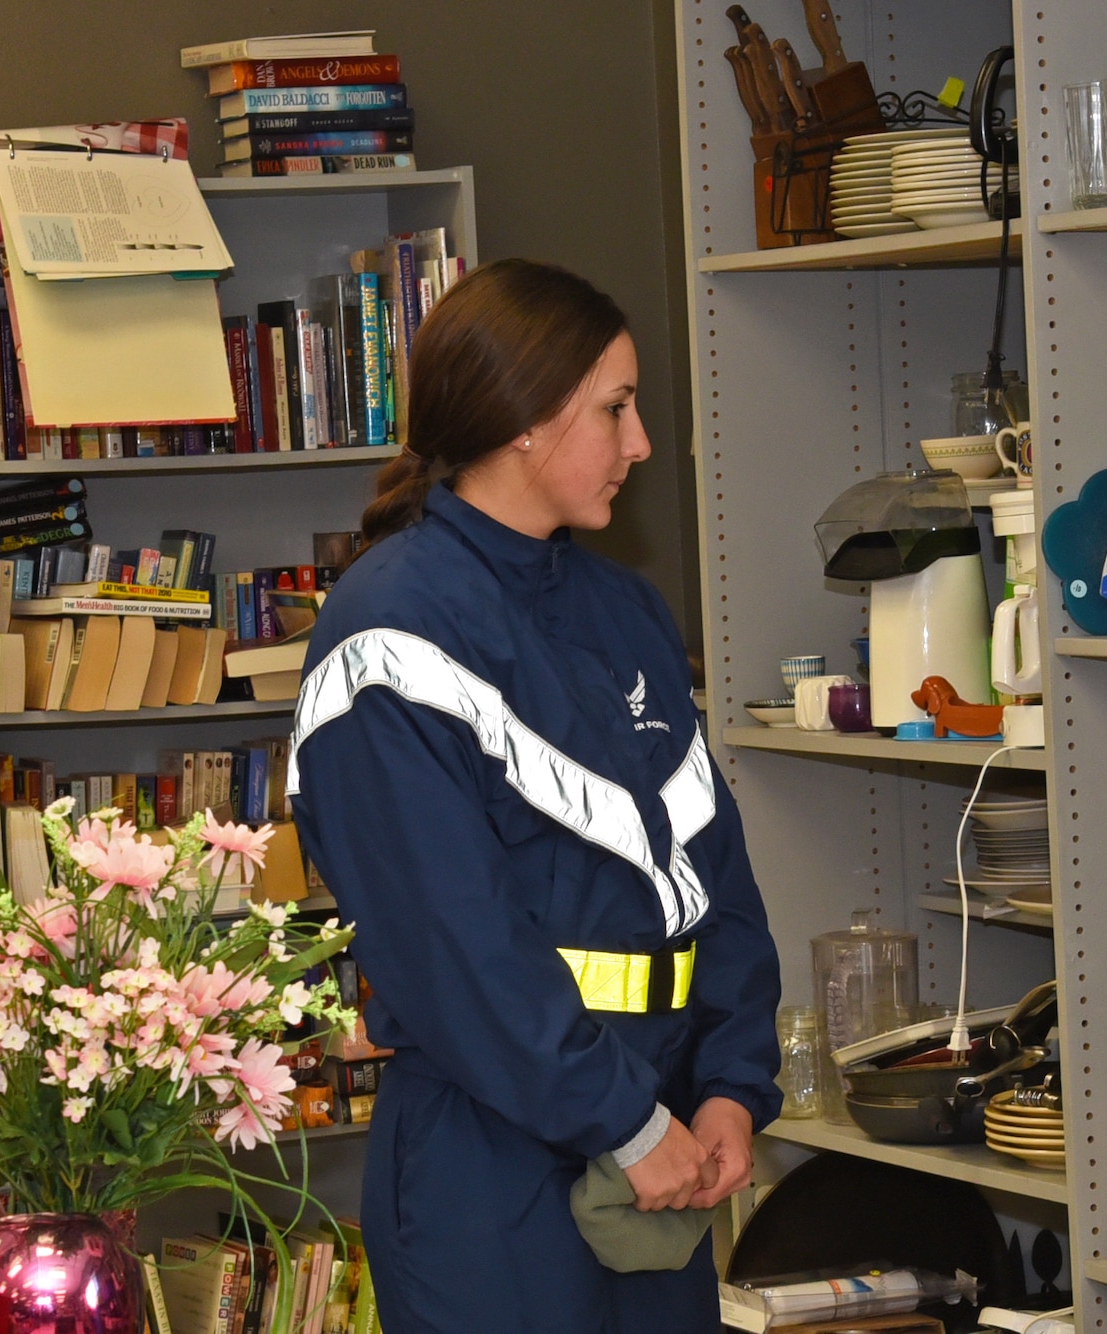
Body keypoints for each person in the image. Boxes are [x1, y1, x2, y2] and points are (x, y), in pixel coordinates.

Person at [289, 258, 781, 1333]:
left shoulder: (625, 611)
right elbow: (451, 942)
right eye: (614, 407)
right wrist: (619, 1117)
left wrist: (732, 1083)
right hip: (493, 1164)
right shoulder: (389, 631)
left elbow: (712, 877)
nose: (641, 440)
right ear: (521, 417)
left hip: (661, 1144)